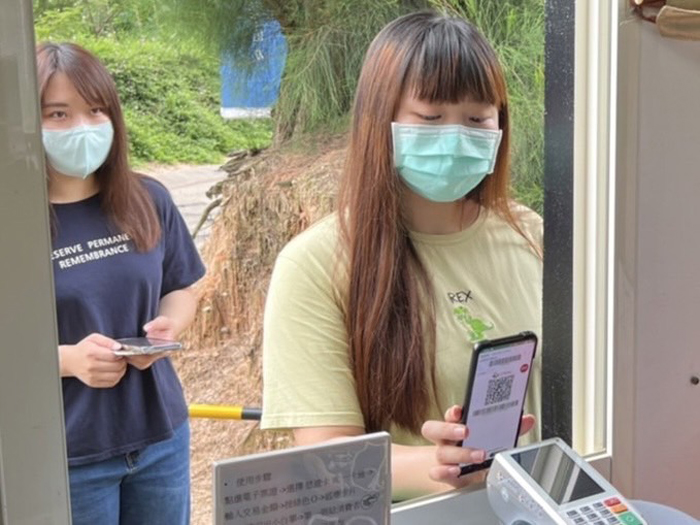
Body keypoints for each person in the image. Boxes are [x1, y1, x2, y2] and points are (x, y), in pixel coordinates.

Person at [261, 11, 543, 500]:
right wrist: (440, 465)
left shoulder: (532, 235)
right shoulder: (315, 265)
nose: (456, 137)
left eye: (477, 118)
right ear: (379, 119)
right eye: (431, 118)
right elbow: (324, 459)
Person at [37, 42, 205, 524]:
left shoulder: (147, 198)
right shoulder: (14, 223)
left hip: (161, 442)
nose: (82, 129)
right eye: (58, 114)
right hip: (68, 456)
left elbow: (180, 287)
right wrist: (68, 361)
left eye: (95, 111)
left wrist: (168, 327)